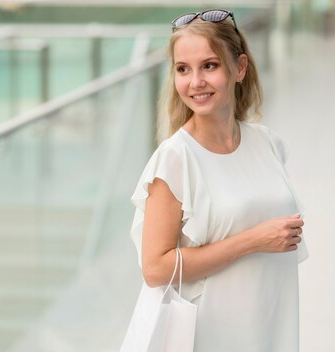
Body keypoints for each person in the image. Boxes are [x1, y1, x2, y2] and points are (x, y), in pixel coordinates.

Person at [121, 9, 308, 352]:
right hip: (213, 331)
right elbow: (155, 268)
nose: (195, 82)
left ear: (239, 68)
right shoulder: (175, 158)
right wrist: (253, 240)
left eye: (209, 65)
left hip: (272, 318)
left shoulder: (267, 143)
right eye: (183, 69)